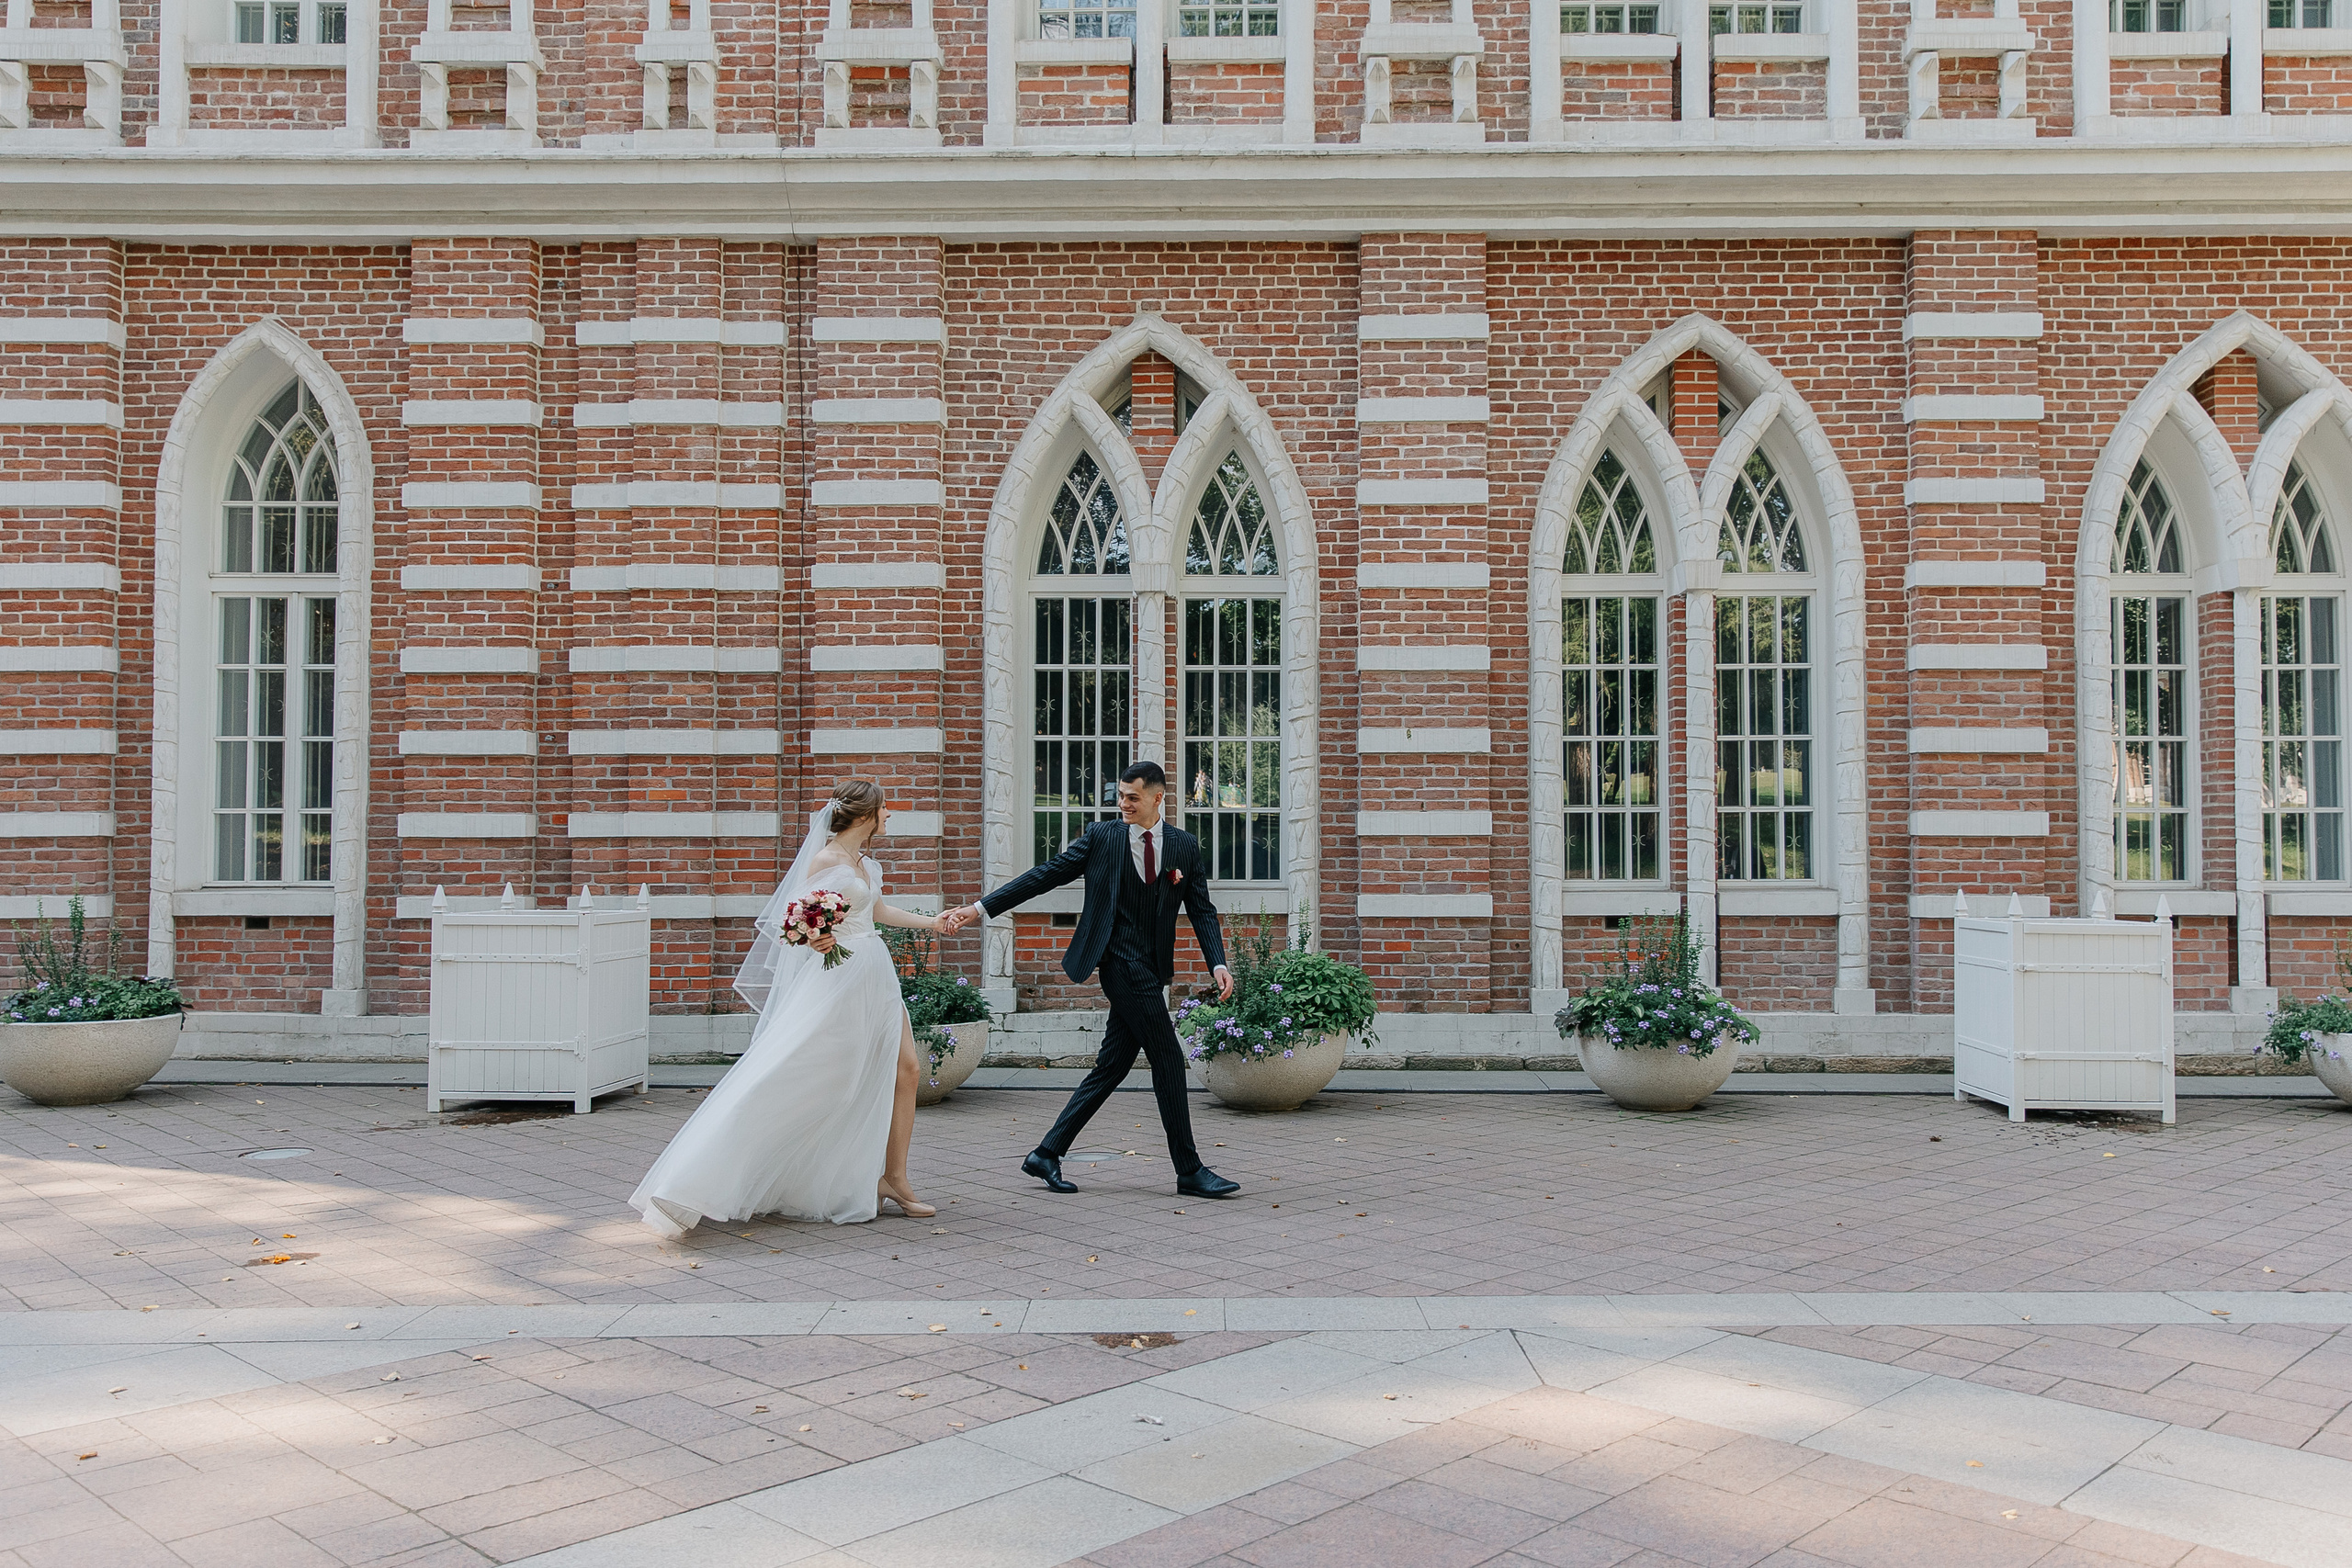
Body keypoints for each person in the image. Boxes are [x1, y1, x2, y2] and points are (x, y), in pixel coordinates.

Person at [631, 781, 943, 1235]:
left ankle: (893, 1178)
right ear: (863, 816)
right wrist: (815, 937)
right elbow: (797, 922)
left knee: (908, 1069)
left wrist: (931, 922)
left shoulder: (865, 863)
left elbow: (875, 911)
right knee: (805, 1074)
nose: (890, 815)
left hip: (875, 971)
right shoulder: (826, 860)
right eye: (884, 808)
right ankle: (698, 1178)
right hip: (841, 978)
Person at [941, 761, 1241, 1200]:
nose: (1122, 804)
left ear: (1158, 798)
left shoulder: (1183, 845)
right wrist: (980, 908)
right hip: (1117, 962)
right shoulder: (1101, 838)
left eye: (1132, 797)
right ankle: (1189, 1170)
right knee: (1168, 1059)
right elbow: (1043, 876)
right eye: (1120, 795)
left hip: (1152, 965)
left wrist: (1217, 961)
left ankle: (1046, 1153)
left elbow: (1201, 908)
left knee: (1112, 1066)